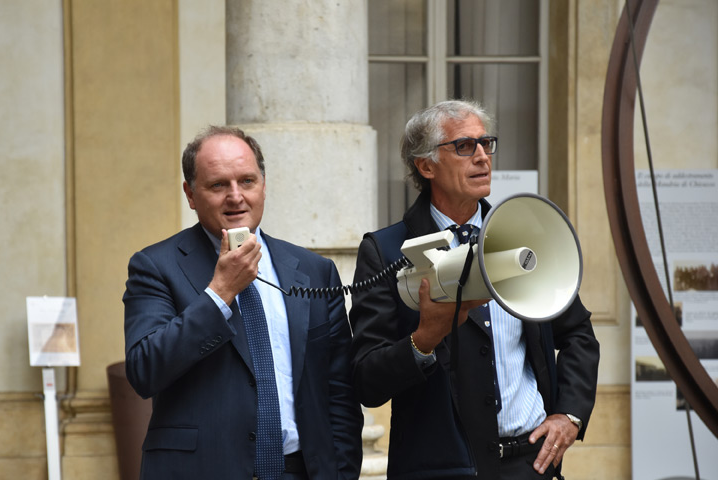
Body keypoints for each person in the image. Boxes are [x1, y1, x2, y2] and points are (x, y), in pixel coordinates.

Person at [349, 100, 599, 479]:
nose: (483, 157)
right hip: (440, 471)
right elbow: (367, 381)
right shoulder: (386, 251)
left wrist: (570, 414)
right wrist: (423, 340)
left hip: (531, 464)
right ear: (426, 166)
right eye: (465, 146)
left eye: (486, 143)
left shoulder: (522, 235)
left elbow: (578, 331)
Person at [123, 125, 363, 479]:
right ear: (191, 194)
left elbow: (339, 390)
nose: (235, 196)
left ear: (263, 186)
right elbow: (144, 370)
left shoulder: (314, 271)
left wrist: (341, 473)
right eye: (218, 185)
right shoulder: (155, 266)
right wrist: (219, 293)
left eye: (247, 181)